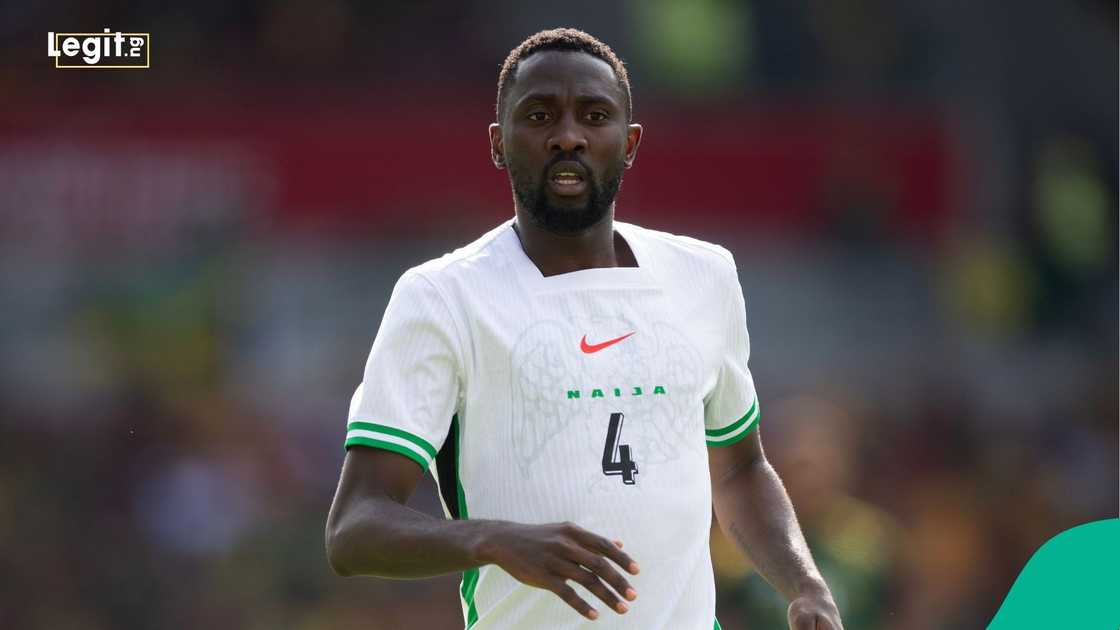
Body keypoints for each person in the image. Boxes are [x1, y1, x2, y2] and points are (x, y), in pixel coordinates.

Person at [325, 27, 843, 630]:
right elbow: (353, 528)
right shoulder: (443, 297)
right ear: (498, 143)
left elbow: (739, 468)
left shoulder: (705, 276)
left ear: (629, 143)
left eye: (594, 116)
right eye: (540, 115)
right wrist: (492, 539)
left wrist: (804, 585)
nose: (567, 136)